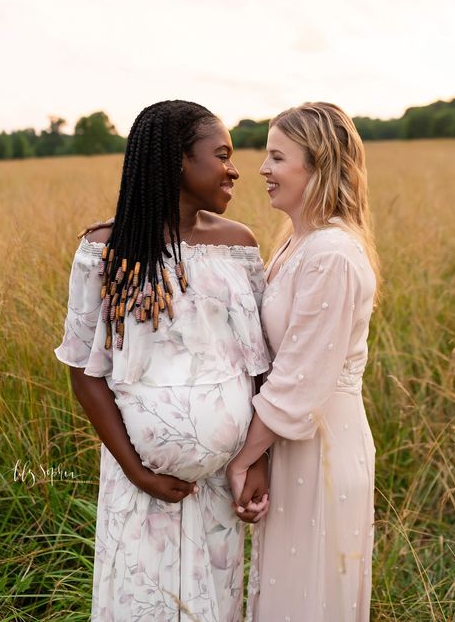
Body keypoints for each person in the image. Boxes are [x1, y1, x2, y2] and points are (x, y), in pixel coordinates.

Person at [54, 100, 270, 622]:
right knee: (142, 605)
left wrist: (255, 460)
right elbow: (84, 370)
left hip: (222, 482)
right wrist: (136, 469)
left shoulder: (238, 246)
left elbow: (259, 364)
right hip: (140, 484)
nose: (234, 168)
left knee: (213, 605)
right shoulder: (107, 251)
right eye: (220, 155)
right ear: (177, 162)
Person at [227, 102, 380, 622]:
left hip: (323, 448)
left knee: (311, 596)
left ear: (317, 166)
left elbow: (300, 379)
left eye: (277, 157)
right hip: (292, 441)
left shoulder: (332, 254)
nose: (263, 170)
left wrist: (244, 458)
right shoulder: (297, 244)